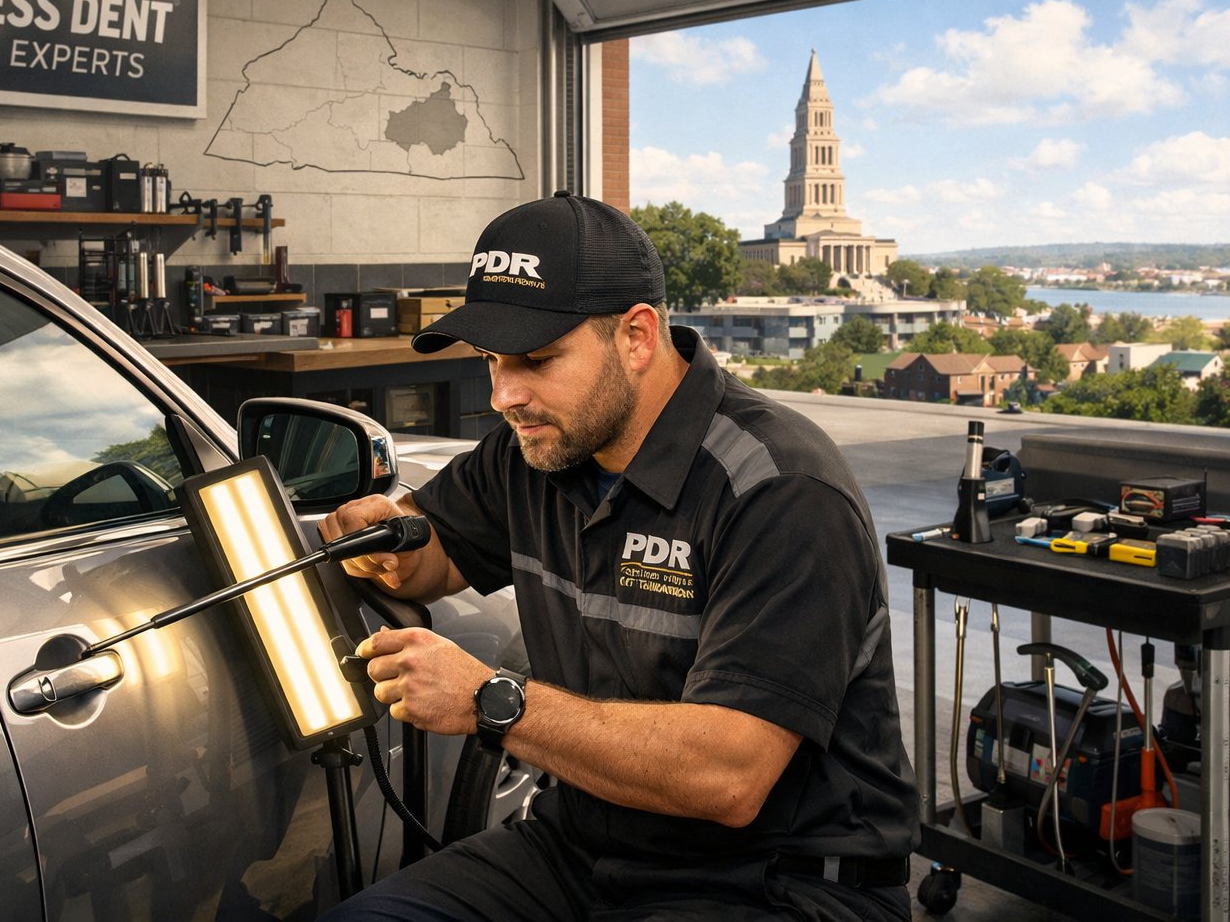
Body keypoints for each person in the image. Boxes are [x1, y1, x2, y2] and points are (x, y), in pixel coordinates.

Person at [318, 192, 918, 920]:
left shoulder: (781, 489)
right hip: (579, 847)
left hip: (774, 881)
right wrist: (383, 537)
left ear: (637, 336)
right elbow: (432, 554)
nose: (505, 394)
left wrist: (488, 700)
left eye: (537, 359)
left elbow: (727, 774)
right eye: (490, 360)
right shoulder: (534, 451)